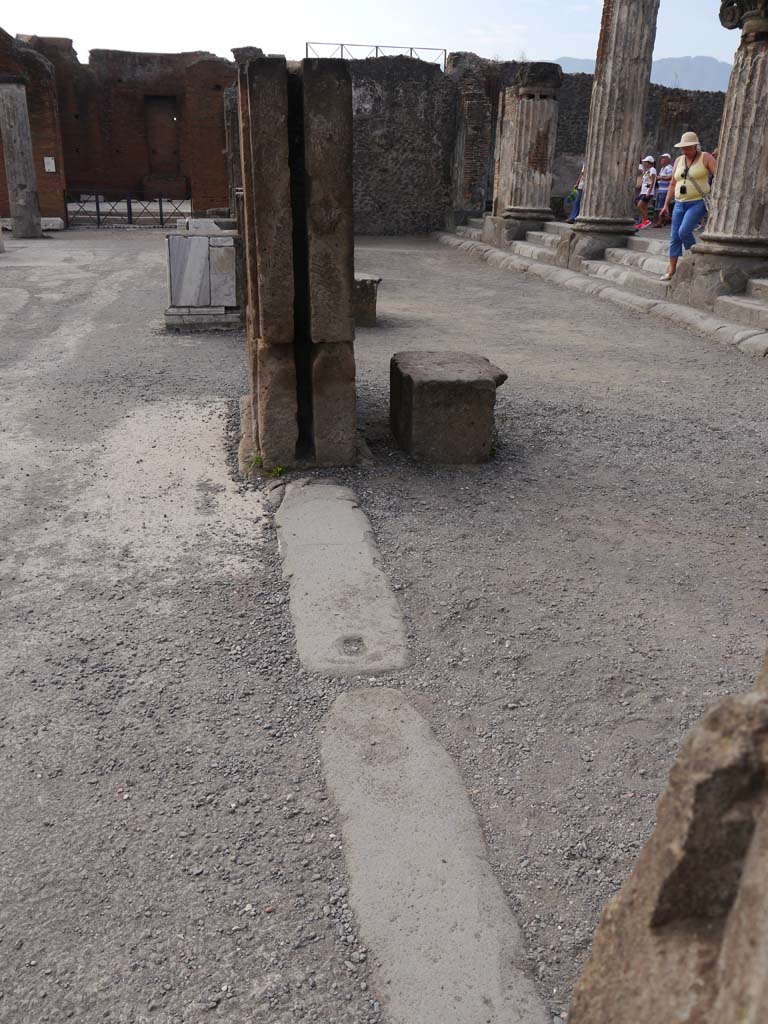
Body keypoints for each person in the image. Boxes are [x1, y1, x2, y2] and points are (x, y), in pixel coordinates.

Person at [658, 131, 717, 281]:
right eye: (683, 148)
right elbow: (673, 183)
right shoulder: (678, 160)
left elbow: (720, 176)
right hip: (679, 202)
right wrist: (666, 204)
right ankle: (671, 270)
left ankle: (695, 258)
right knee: (674, 237)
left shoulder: (706, 157)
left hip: (697, 202)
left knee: (684, 231)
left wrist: (716, 196)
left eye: (688, 148)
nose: (685, 150)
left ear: (695, 146)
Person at [635, 156, 657, 229]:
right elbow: (645, 182)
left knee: (640, 205)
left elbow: (652, 181)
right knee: (642, 206)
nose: (644, 163)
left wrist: (649, 191)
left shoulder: (652, 170)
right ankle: (643, 222)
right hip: (644, 191)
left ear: (649, 163)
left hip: (648, 192)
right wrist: (642, 192)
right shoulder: (647, 171)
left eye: (645, 162)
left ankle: (646, 220)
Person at [653, 153, 673, 227]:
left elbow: (671, 177)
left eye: (663, 158)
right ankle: (668, 218)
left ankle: (659, 222)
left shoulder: (669, 168)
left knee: (661, 206)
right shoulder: (662, 168)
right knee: (659, 206)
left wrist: (660, 178)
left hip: (665, 190)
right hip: (661, 189)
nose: (661, 160)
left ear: (668, 160)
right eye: (661, 158)